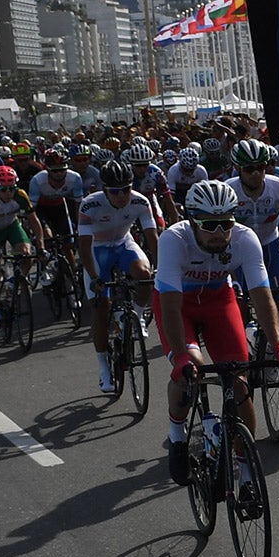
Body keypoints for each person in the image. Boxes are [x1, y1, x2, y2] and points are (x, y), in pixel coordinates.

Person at [155, 180, 279, 486]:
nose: (219, 233)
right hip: (179, 305)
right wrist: (180, 358)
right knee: (190, 367)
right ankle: (177, 433)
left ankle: (246, 470)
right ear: (192, 219)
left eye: (225, 223)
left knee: (239, 378)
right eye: (210, 225)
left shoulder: (245, 239)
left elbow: (261, 295)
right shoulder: (173, 239)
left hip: (220, 300)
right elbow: (169, 305)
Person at [77, 161, 162, 394]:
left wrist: (162, 267)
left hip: (124, 244)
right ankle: (104, 367)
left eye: (126, 188)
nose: (122, 195)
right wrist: (94, 276)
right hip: (97, 249)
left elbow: (152, 237)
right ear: (104, 190)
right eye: (115, 191)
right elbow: (84, 248)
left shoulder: (140, 201)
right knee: (100, 306)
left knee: (145, 276)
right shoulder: (89, 205)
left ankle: (136, 313)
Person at [229, 140, 279, 322]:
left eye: (261, 167)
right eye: (249, 169)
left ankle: (272, 350)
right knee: (240, 313)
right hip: (237, 253)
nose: (256, 173)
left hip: (269, 247)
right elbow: (220, 239)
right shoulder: (228, 190)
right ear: (237, 168)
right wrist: (230, 276)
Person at [0, 165, 42, 325]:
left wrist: (40, 244)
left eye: (11, 189)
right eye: (3, 190)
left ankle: (15, 282)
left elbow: (33, 220)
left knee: (26, 253)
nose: (8, 193)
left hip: (12, 226)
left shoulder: (20, 195)